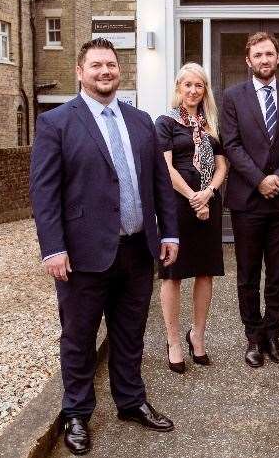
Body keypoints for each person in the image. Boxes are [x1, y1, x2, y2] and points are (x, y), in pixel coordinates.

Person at [30, 38, 179, 456]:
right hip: (81, 255)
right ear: (80, 71)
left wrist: (169, 233)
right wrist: (53, 248)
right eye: (96, 65)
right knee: (78, 337)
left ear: (119, 70)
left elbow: (158, 183)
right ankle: (76, 413)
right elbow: (44, 194)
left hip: (136, 250)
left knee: (130, 334)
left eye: (111, 65)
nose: (105, 72)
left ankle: (131, 402)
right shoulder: (56, 123)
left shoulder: (140, 120)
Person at [221, 32, 279, 368]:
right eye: (258, 55)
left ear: (278, 57)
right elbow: (231, 144)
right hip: (247, 200)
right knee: (247, 273)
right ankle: (253, 337)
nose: (264, 60)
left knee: (278, 273)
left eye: (269, 54)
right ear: (248, 60)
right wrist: (259, 180)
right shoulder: (233, 97)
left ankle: (273, 334)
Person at [155, 62, 227, 374]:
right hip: (177, 206)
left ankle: (197, 336)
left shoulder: (210, 124)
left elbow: (223, 165)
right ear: (179, 88)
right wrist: (192, 196)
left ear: (205, 90)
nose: (194, 91)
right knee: (173, 274)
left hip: (208, 206)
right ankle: (173, 341)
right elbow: (166, 168)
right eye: (188, 85)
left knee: (205, 272)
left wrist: (208, 192)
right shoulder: (166, 122)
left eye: (199, 86)